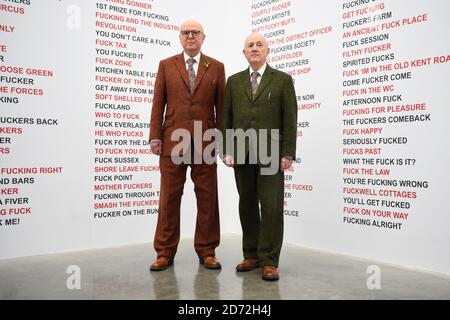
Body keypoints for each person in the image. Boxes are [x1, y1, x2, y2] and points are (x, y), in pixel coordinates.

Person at [148, 20, 225, 271]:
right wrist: (155, 135)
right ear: (180, 37)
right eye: (186, 33)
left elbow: (221, 108)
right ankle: (164, 252)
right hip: (172, 141)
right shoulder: (166, 65)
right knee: (168, 198)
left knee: (208, 198)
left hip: (206, 141)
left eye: (195, 33)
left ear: (203, 37)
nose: (190, 36)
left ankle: (207, 251)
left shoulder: (216, 67)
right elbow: (158, 103)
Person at [220, 33, 297, 281]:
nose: (255, 48)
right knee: (247, 204)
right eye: (250, 45)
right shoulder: (233, 82)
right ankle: (251, 255)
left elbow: (290, 120)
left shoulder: (283, 80)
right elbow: (226, 118)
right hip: (242, 153)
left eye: (259, 45)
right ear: (244, 53)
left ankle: (269, 261)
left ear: (267, 51)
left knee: (272, 207)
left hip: (272, 153)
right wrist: (226, 149)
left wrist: (287, 153)